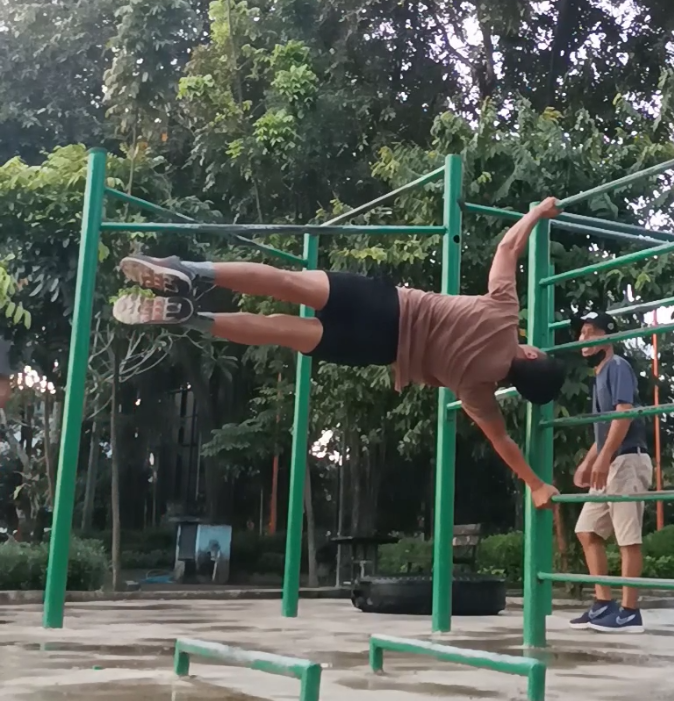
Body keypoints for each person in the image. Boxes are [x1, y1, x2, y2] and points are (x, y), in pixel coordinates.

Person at [113, 198, 566, 509]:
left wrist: (537, 212)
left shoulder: (504, 313)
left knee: (286, 282)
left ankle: (187, 270)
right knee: (278, 331)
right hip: (376, 347)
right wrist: (536, 485)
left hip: (386, 305)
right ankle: (190, 318)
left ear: (530, 357)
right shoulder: (478, 392)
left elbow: (508, 247)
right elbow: (502, 442)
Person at [570, 310, 652, 633]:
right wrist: (589, 462)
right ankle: (604, 603)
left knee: (627, 537)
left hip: (627, 460)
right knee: (587, 530)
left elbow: (624, 414)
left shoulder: (618, 367)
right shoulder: (599, 376)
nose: (583, 339)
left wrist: (603, 459)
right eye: (581, 333)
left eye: (591, 332)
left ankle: (630, 611)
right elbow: (605, 430)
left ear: (609, 336)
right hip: (611, 460)